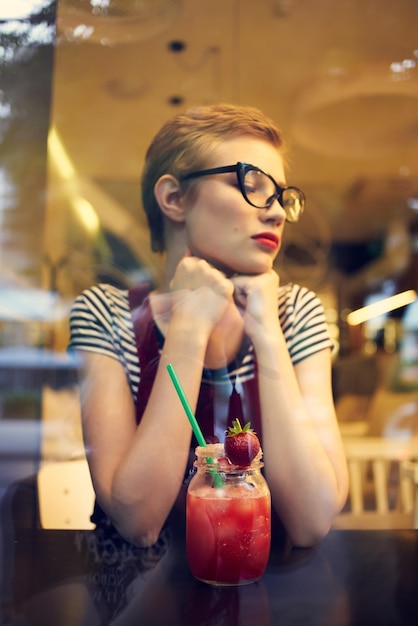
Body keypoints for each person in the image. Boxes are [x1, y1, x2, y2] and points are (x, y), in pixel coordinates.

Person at [68, 103, 348, 549]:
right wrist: (189, 327)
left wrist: (267, 331)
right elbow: (137, 520)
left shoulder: (296, 312)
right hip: (138, 605)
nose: (276, 213)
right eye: (251, 186)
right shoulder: (106, 314)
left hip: (266, 598)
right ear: (175, 199)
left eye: (280, 196)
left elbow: (313, 519)